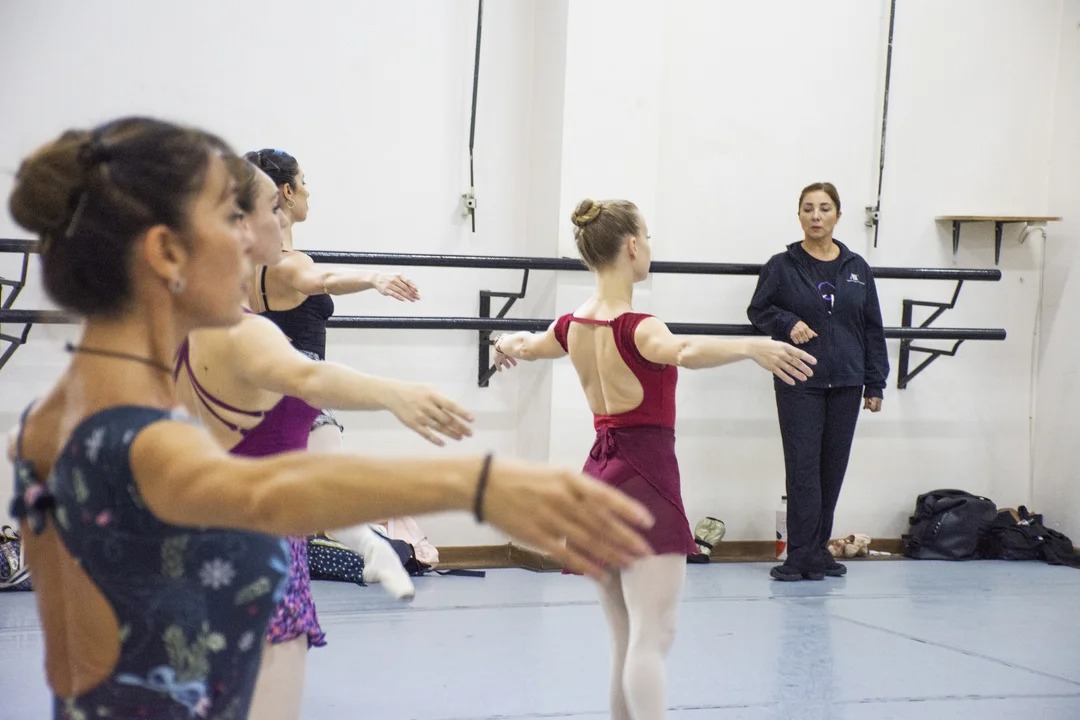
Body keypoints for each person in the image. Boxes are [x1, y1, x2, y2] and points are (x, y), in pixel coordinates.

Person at [6, 118, 656, 720]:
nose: (250, 241)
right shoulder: (125, 434)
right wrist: (475, 483)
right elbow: (265, 492)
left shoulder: (50, 419)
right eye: (231, 217)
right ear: (168, 253)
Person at [491, 198, 816, 720]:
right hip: (646, 482)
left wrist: (501, 340)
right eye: (649, 238)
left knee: (625, 639)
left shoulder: (571, 325)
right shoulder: (640, 326)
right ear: (633, 246)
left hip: (596, 480)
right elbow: (683, 350)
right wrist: (754, 346)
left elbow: (526, 344)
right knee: (653, 637)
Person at [175, 156, 466, 719]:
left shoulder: (190, 317)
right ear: (249, 218)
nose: (286, 209)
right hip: (265, 510)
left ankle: (371, 546)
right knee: (331, 483)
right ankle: (371, 547)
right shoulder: (260, 307)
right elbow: (317, 290)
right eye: (276, 202)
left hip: (217, 524)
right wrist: (392, 385)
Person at [245, 147, 420, 595]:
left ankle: (359, 556)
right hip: (303, 390)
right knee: (333, 498)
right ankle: (377, 557)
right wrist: (374, 278)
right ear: (285, 192)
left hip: (259, 390)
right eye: (304, 183)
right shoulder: (287, 261)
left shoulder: (243, 263)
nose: (309, 193)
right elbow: (320, 281)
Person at [747, 181, 888, 582]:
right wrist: (787, 323)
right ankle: (800, 555)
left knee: (832, 469)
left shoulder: (857, 268)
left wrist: (875, 383)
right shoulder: (782, 265)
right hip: (799, 379)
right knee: (803, 469)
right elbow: (759, 310)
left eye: (824, 209)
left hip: (847, 381)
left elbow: (872, 327)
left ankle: (819, 551)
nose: (816, 216)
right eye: (808, 208)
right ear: (799, 216)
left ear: (838, 216)